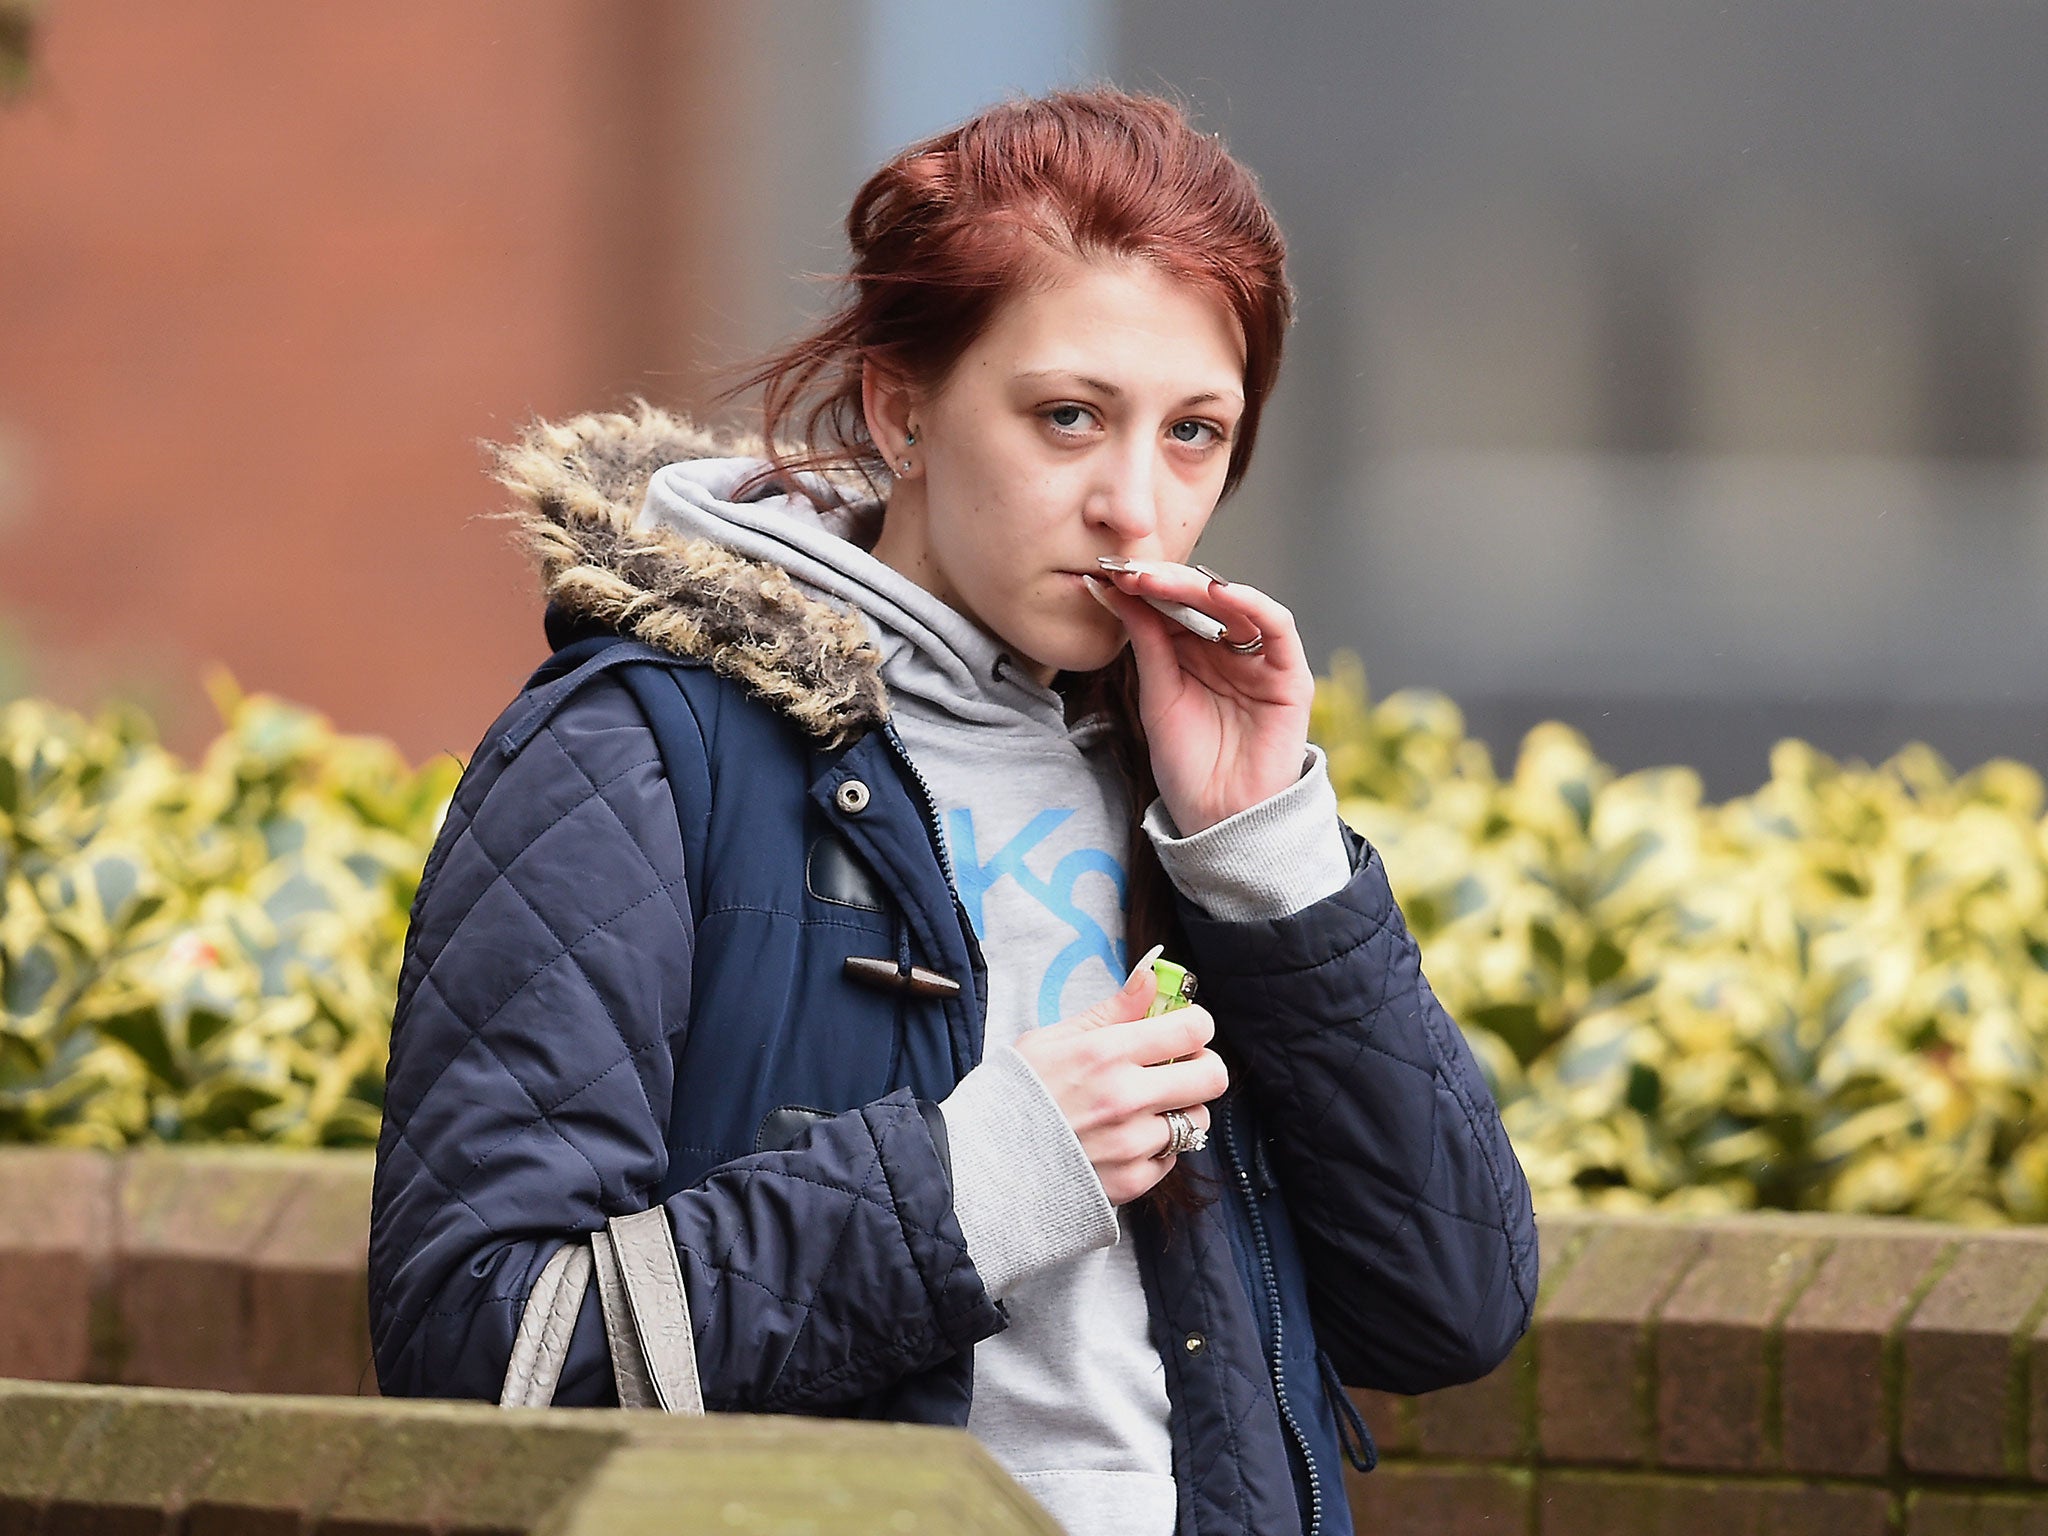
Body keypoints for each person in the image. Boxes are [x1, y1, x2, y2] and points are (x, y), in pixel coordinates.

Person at [369, 87, 1536, 1536]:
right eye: (1068, 417)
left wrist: (1262, 849)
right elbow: (483, 1359)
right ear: (899, 404)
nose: (1136, 507)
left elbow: (1452, 1311)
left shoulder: (1180, 785)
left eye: (1194, 434)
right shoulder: (635, 750)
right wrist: (984, 1181)